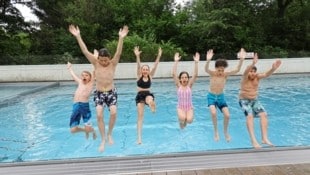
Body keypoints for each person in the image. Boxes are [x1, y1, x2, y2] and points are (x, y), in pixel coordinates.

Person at [69, 24, 129, 152]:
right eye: (101, 60)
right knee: (99, 115)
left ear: (109, 58)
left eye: (105, 60)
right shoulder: (96, 63)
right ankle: (103, 139)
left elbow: (118, 52)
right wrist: (78, 36)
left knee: (113, 112)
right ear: (98, 58)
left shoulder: (113, 63)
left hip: (111, 92)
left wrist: (121, 38)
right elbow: (85, 51)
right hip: (99, 93)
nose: (103, 62)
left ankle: (109, 134)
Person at [239, 53, 281, 149]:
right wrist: (252, 63)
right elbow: (245, 72)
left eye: (253, 71)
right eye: (251, 71)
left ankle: (264, 138)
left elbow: (266, 74)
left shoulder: (257, 77)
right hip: (244, 101)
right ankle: (254, 141)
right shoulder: (245, 78)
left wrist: (273, 68)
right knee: (250, 116)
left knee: (264, 115)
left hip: (254, 100)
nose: (252, 73)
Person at [205, 48, 246, 142]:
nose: (220, 72)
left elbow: (237, 70)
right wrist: (208, 60)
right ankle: (216, 132)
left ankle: (225, 132)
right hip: (211, 96)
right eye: (219, 70)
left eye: (222, 70)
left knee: (227, 115)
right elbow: (206, 69)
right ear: (216, 68)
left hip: (220, 97)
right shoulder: (212, 73)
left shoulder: (225, 74)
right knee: (213, 113)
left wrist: (241, 60)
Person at [134, 46, 162, 144]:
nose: (145, 70)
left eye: (147, 69)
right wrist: (137, 56)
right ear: (142, 71)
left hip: (147, 94)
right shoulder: (139, 76)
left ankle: (151, 105)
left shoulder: (150, 76)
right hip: (139, 96)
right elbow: (138, 65)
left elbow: (155, 65)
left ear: (148, 71)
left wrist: (158, 55)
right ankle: (139, 138)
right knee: (140, 116)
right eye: (144, 69)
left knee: (150, 99)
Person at [67, 61, 96, 140]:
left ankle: (92, 131)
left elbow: (94, 71)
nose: (84, 76)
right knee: (73, 130)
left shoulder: (90, 83)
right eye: (82, 75)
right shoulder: (80, 82)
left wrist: (95, 59)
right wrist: (69, 68)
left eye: (86, 75)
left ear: (90, 78)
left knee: (88, 128)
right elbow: (73, 75)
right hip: (75, 106)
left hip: (84, 106)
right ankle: (86, 130)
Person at [172, 52, 199, 129]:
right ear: (180, 79)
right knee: (182, 119)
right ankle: (181, 120)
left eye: (186, 77)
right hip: (180, 107)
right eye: (182, 77)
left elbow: (195, 74)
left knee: (189, 121)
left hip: (189, 107)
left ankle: (184, 119)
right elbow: (174, 74)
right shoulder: (178, 85)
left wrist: (196, 62)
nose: (184, 79)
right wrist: (176, 61)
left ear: (188, 78)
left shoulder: (189, 85)